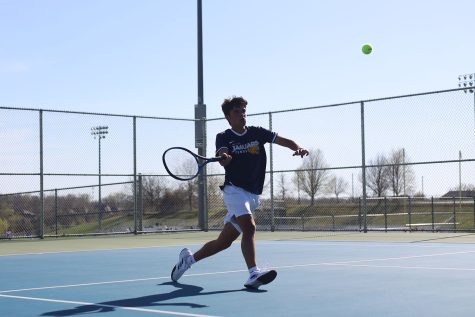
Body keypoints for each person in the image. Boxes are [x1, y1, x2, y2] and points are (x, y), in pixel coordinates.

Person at [171, 96, 309, 289]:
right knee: (249, 227)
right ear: (228, 117)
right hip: (234, 190)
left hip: (252, 195)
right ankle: (253, 273)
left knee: (223, 242)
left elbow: (283, 140)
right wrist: (224, 157)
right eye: (237, 111)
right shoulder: (223, 136)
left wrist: (298, 147)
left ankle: (188, 260)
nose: (242, 114)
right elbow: (224, 159)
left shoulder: (257, 133)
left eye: (244, 110)